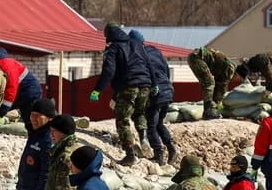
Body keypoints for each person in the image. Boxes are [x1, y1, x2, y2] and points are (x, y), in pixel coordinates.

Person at [91, 23, 154, 165]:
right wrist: (154, 84)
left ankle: (130, 154)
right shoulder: (137, 44)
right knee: (140, 113)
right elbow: (149, 65)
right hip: (145, 85)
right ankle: (143, 137)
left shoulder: (113, 48)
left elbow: (109, 71)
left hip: (128, 86)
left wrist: (97, 90)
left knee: (122, 120)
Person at [140, 34, 178, 165]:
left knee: (151, 126)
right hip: (168, 89)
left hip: (157, 93)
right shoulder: (156, 52)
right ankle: (172, 148)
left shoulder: (141, 55)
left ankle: (159, 154)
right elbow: (166, 70)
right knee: (159, 123)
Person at [0, 48, 43, 131]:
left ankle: (39, 140)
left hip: (29, 92)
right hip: (25, 91)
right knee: (30, 121)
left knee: (32, 121)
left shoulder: (6, 65)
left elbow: (10, 92)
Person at [187, 46, 238, 120]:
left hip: (195, 57)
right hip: (197, 58)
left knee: (209, 83)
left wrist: (217, 108)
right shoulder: (230, 69)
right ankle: (208, 112)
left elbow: (218, 88)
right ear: (238, 74)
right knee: (209, 83)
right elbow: (221, 89)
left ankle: (210, 110)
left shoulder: (226, 67)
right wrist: (219, 108)